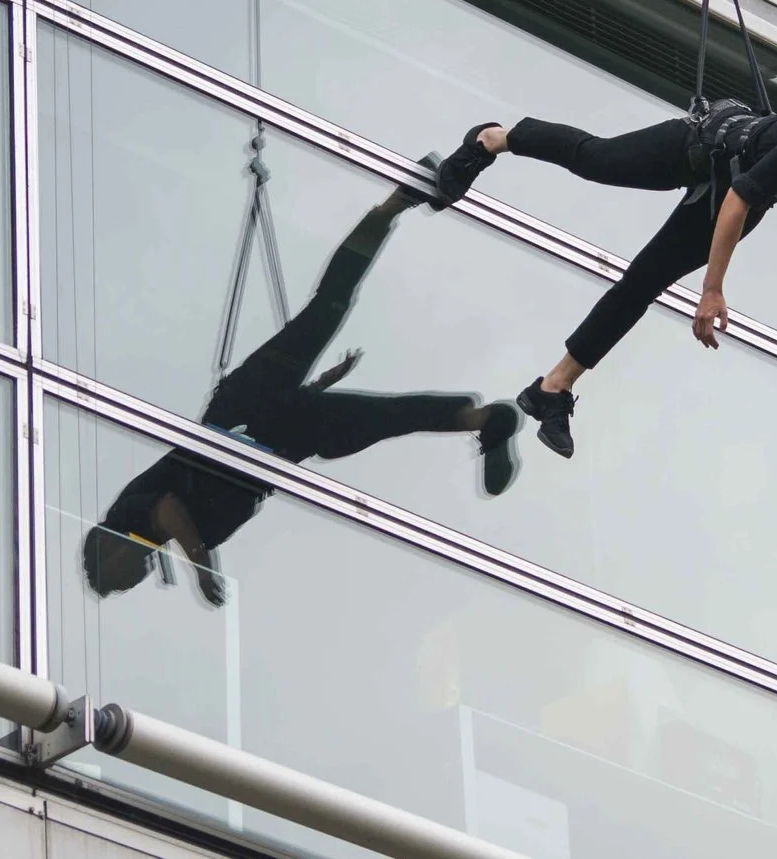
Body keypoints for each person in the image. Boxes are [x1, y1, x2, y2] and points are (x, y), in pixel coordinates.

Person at [428, 73, 777, 458]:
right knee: (597, 160)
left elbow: (754, 199)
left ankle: (550, 390)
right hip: (703, 151)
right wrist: (712, 290)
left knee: (643, 282)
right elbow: (740, 195)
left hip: (744, 197)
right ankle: (493, 138)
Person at [81, 171, 522, 603]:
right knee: (380, 418)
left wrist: (202, 568)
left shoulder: (129, 519)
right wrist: (316, 389)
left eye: (121, 579)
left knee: (328, 309)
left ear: (109, 551)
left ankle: (392, 205)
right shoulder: (168, 541)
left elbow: (169, 508)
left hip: (242, 409)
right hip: (276, 437)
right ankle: (484, 420)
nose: (132, 581)